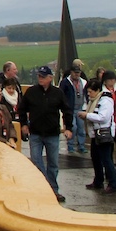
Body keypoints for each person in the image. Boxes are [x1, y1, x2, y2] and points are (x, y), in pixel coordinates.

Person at [18, 65, 74, 202]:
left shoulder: (57, 93)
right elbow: (22, 109)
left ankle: (53, 190)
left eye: (43, 76)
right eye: (39, 76)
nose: (40, 79)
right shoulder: (31, 92)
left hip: (52, 133)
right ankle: (44, 187)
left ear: (50, 78)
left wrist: (68, 128)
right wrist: (24, 124)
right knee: (36, 161)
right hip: (36, 133)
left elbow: (67, 110)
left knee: (53, 163)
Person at [78, 77, 116, 194]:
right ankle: (98, 180)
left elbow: (103, 117)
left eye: (90, 92)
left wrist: (87, 115)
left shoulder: (105, 100)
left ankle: (113, 183)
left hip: (104, 134)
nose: (89, 94)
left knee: (106, 159)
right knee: (96, 158)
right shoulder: (94, 100)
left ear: (97, 90)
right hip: (96, 134)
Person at [59, 64, 88, 153]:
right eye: (75, 73)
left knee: (81, 129)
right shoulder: (65, 82)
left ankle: (81, 145)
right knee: (73, 127)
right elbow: (61, 94)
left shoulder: (83, 82)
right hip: (70, 109)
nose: (77, 74)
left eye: (78, 73)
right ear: (71, 72)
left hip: (80, 108)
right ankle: (70, 145)